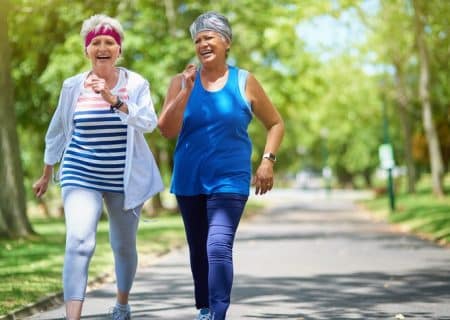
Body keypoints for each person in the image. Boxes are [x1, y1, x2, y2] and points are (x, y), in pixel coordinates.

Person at [32, 14, 163, 320]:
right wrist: (47, 172)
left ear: (119, 50)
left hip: (123, 177)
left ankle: (122, 304)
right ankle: (72, 317)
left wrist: (112, 99)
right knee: (79, 241)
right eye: (96, 43)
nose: (102, 47)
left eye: (109, 42)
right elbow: (59, 131)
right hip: (80, 173)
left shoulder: (136, 83)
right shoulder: (72, 86)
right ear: (86, 50)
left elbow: (149, 123)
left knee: (123, 246)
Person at [158, 11, 285, 320]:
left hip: (230, 179)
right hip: (190, 179)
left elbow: (276, 123)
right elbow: (166, 129)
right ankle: (204, 308)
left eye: (209, 37)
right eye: (198, 39)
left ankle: (217, 313)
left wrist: (267, 161)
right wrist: (186, 91)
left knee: (217, 246)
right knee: (199, 251)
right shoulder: (180, 81)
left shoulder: (245, 81)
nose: (203, 44)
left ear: (226, 42)